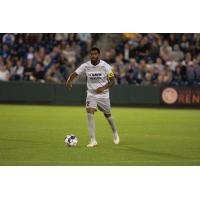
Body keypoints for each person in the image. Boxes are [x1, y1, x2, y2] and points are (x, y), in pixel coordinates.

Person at [66, 47, 120, 147]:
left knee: (107, 115)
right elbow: (75, 74)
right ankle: (93, 140)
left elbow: (113, 81)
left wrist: (103, 88)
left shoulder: (105, 66)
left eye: (95, 54)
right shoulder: (86, 65)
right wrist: (69, 81)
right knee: (90, 112)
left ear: (98, 55)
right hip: (91, 94)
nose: (93, 56)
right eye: (91, 54)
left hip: (103, 95)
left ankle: (114, 132)